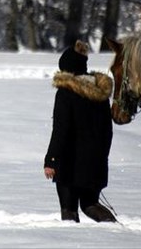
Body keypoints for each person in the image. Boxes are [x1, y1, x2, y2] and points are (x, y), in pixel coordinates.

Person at [43, 41, 117, 223]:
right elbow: (108, 132)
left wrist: (51, 159)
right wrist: (101, 158)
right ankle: (115, 230)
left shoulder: (65, 93)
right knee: (90, 205)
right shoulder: (100, 95)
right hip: (96, 164)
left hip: (69, 164)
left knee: (69, 210)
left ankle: (72, 241)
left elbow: (61, 130)